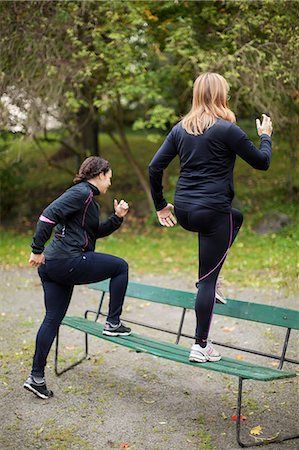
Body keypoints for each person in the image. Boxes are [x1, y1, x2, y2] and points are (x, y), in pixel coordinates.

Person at [148, 72, 272, 363]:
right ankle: (201, 345)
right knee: (206, 280)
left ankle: (211, 281)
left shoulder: (180, 129)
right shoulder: (228, 130)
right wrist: (265, 136)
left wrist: (161, 205)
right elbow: (262, 162)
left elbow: (154, 167)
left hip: (186, 211)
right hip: (212, 210)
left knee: (236, 217)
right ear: (221, 96)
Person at [24, 156, 131, 399]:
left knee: (52, 318)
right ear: (101, 174)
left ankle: (36, 377)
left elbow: (93, 233)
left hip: (54, 265)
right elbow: (47, 215)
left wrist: (118, 217)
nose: (110, 184)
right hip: (66, 261)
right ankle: (112, 323)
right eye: (109, 178)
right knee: (120, 267)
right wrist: (36, 248)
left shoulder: (88, 200)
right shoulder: (82, 192)